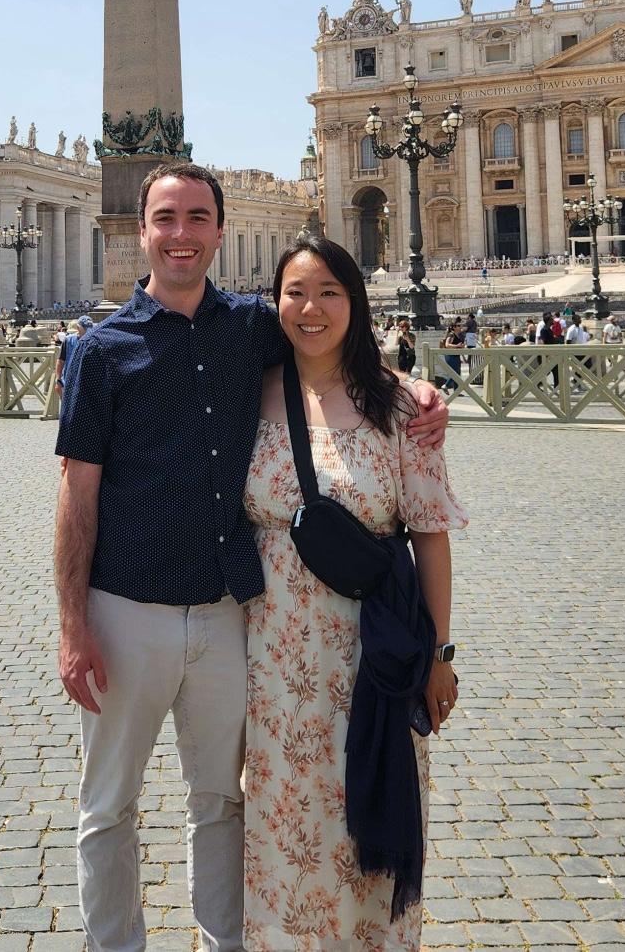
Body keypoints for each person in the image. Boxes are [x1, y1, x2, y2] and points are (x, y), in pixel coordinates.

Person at [52, 161, 449, 952]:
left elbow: (330, 340)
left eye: (197, 218)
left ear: (221, 231)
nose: (181, 235)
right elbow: (76, 496)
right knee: (109, 807)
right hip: (129, 607)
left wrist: (420, 388)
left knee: (225, 804)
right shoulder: (99, 352)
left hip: (235, 613)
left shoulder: (248, 329)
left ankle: (227, 944)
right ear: (142, 231)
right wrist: (72, 626)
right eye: (166, 218)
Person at [244, 236, 467, 943]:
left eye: (329, 293)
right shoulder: (243, 394)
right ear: (274, 302)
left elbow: (430, 533)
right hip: (269, 661)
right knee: (281, 829)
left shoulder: (402, 406)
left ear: (356, 303)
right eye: (295, 293)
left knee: (358, 827)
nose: (310, 309)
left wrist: (439, 652)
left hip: (372, 655)